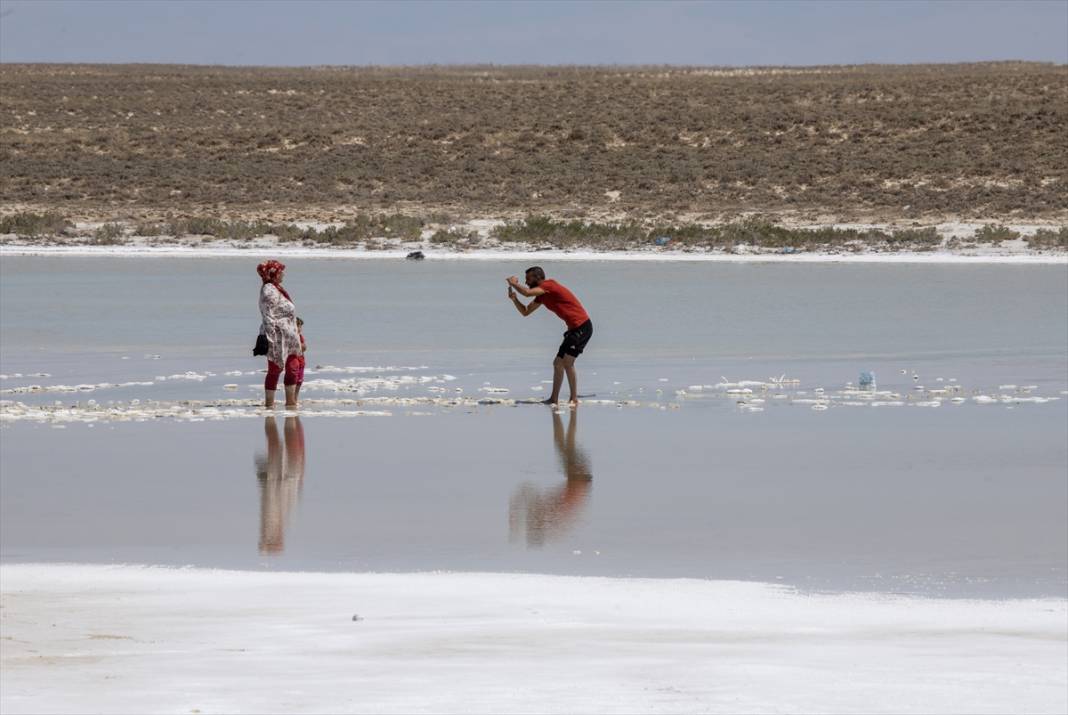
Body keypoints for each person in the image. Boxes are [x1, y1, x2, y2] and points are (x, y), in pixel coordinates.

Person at [506, 267, 592, 405]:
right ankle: (554, 399)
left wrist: (514, 283)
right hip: (573, 330)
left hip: (582, 327)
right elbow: (526, 311)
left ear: (537, 277)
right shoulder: (541, 295)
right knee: (558, 363)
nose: (526, 282)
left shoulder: (549, 285)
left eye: (528, 279)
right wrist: (514, 299)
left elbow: (527, 293)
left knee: (567, 363)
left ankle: (574, 398)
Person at [257, 260, 301, 408]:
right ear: (273, 273)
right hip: (277, 336)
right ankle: (269, 404)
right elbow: (267, 314)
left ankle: (291, 402)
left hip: (289, 336)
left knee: (293, 366)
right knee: (275, 368)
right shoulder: (268, 290)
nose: (284, 273)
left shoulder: (277, 288)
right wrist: (270, 337)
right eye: (281, 270)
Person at [294, 317, 307, 404]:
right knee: (294, 381)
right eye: (298, 326)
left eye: (300, 327)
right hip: (294, 361)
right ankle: (293, 398)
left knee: (299, 381)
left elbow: (304, 348)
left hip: (301, 361)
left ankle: (295, 398)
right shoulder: (293, 337)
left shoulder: (300, 336)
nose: (300, 329)